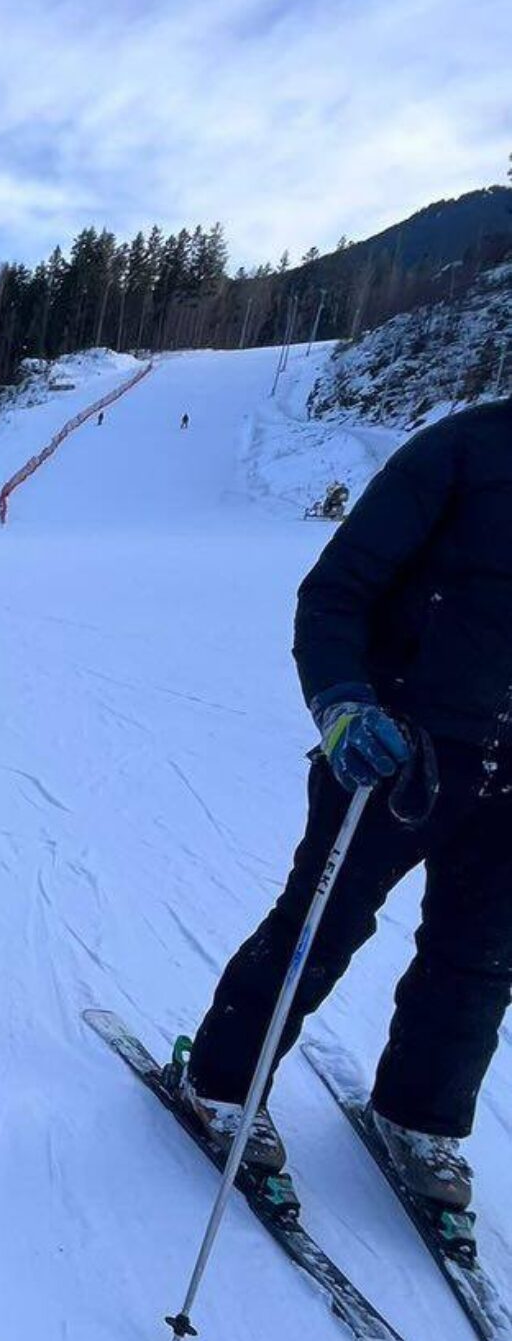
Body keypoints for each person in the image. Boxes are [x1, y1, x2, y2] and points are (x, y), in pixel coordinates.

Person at [182, 400, 512, 1252]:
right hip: (399, 748)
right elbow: (335, 593)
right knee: (321, 924)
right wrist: (342, 703)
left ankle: (419, 1114)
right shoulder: (462, 451)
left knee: (479, 960)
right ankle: (223, 1084)